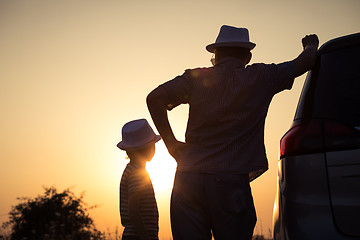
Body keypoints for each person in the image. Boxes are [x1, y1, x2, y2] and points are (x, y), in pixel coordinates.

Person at [146, 25, 319, 240]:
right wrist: (310, 45)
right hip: (230, 184)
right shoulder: (262, 77)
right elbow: (306, 62)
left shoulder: (195, 78)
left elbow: (154, 98)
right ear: (247, 55)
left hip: (187, 180)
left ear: (216, 54)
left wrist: (171, 144)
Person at [117, 119, 161, 240]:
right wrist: (145, 237)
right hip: (138, 236)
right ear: (147, 148)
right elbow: (133, 209)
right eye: (152, 145)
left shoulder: (131, 170)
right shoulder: (138, 174)